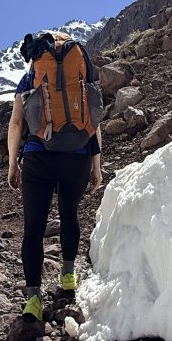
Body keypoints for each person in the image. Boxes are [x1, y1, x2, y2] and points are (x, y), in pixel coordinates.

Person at [7, 31, 102, 321]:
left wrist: (13, 163)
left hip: (39, 156)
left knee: (33, 229)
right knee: (70, 214)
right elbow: (95, 118)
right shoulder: (82, 72)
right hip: (78, 157)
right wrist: (97, 164)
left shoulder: (32, 76)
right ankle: (69, 276)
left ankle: (33, 299)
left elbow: (16, 121)